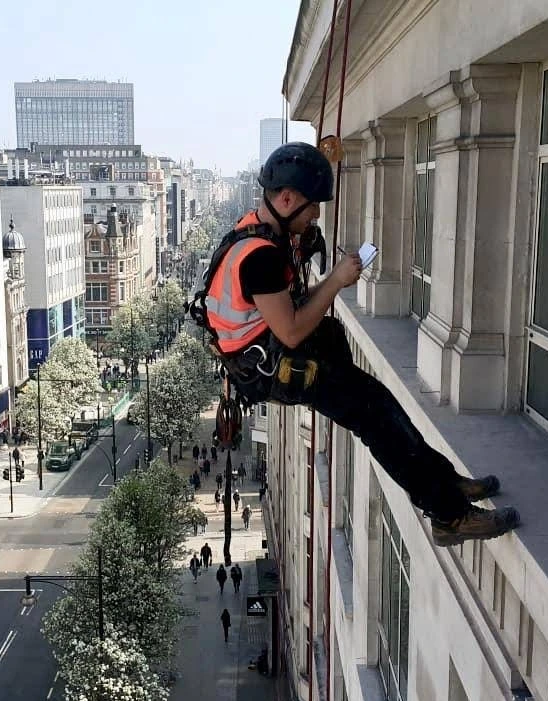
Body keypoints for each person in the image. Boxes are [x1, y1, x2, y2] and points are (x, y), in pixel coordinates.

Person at [194, 141, 517, 546]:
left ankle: (447, 485)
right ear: (287, 198)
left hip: (269, 357)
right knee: (378, 420)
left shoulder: (256, 232)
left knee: (381, 405)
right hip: (272, 369)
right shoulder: (260, 257)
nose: (315, 215)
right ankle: (449, 515)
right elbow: (291, 330)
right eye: (312, 205)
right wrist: (335, 282)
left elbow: (286, 318)